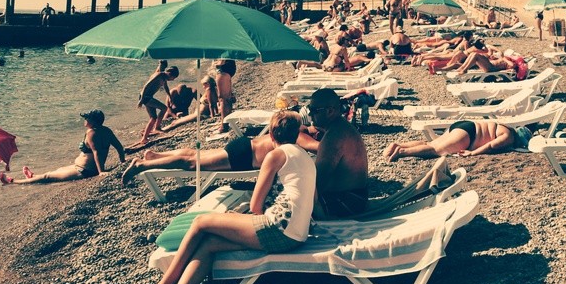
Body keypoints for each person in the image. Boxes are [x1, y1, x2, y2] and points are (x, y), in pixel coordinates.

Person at [133, 111, 316, 284]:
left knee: (200, 222)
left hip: (278, 230)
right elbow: (314, 202)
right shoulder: (306, 158)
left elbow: (255, 206)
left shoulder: (275, 155)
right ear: (297, 134)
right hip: (296, 236)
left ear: (270, 134)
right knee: (209, 244)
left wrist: (241, 219)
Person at [122, 117, 319, 183]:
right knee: (191, 163)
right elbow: (317, 147)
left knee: (194, 154)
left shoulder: (297, 127)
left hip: (244, 146)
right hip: (243, 156)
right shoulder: (300, 134)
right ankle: (141, 165)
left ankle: (155, 156)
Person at [1, 110, 125, 184]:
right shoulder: (106, 130)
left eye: (87, 118)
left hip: (85, 171)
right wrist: (122, 160)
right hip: (82, 167)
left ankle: (13, 181)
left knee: (47, 177)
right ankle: (32, 176)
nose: (85, 120)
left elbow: (96, 152)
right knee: (58, 170)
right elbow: (119, 147)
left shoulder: (92, 133)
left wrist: (101, 172)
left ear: (94, 121)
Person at [306, 88, 369, 218]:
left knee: (290, 205)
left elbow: (317, 184)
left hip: (347, 202)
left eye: (314, 110)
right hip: (356, 197)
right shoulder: (341, 127)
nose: (310, 114)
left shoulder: (334, 137)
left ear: (330, 111)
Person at [383, 119, 534, 161]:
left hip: (465, 125)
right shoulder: (509, 137)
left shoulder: (506, 127)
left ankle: (398, 145)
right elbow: (491, 146)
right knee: (436, 150)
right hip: (469, 135)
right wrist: (472, 153)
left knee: (431, 143)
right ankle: (402, 152)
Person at [137, 62, 180, 146]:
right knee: (164, 108)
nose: (173, 80)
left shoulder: (164, 78)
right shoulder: (159, 75)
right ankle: (157, 127)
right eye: (173, 77)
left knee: (153, 118)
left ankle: (144, 138)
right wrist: (141, 100)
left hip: (148, 97)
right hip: (145, 97)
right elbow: (146, 86)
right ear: (169, 73)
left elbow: (166, 87)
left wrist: (170, 96)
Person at [215, 58, 236, 133]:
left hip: (223, 68)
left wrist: (218, 62)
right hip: (228, 66)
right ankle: (227, 123)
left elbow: (222, 57)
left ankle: (224, 126)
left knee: (223, 99)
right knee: (227, 98)